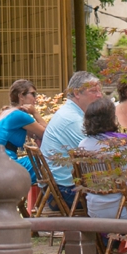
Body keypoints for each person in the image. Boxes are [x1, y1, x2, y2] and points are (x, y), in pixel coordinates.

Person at [40, 72, 103, 206]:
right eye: (93, 91)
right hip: (65, 192)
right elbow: (99, 157)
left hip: (56, 188)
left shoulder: (70, 113)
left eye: (99, 90)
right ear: (77, 93)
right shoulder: (73, 120)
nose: (100, 95)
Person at [78, 96, 127, 219]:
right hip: (123, 209)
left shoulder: (83, 145)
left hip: (94, 210)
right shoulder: (123, 145)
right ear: (111, 119)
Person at [0, 79, 47, 180]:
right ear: (21, 96)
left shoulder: (7, 112)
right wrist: (36, 113)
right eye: (33, 94)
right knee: (48, 162)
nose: (35, 98)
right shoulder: (19, 115)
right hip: (7, 167)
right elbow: (48, 134)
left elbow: (33, 133)